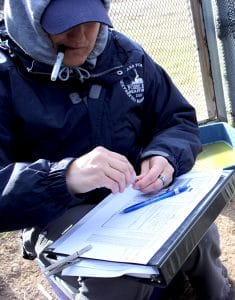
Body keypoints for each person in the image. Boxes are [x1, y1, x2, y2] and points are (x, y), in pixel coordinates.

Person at [0, 0, 233, 299]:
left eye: (90, 20)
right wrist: (64, 177)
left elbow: (176, 119)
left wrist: (164, 154)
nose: (82, 37)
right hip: (59, 211)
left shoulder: (125, 54)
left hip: (136, 195)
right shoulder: (7, 76)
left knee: (201, 232)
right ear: (29, 20)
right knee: (114, 281)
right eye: (64, 25)